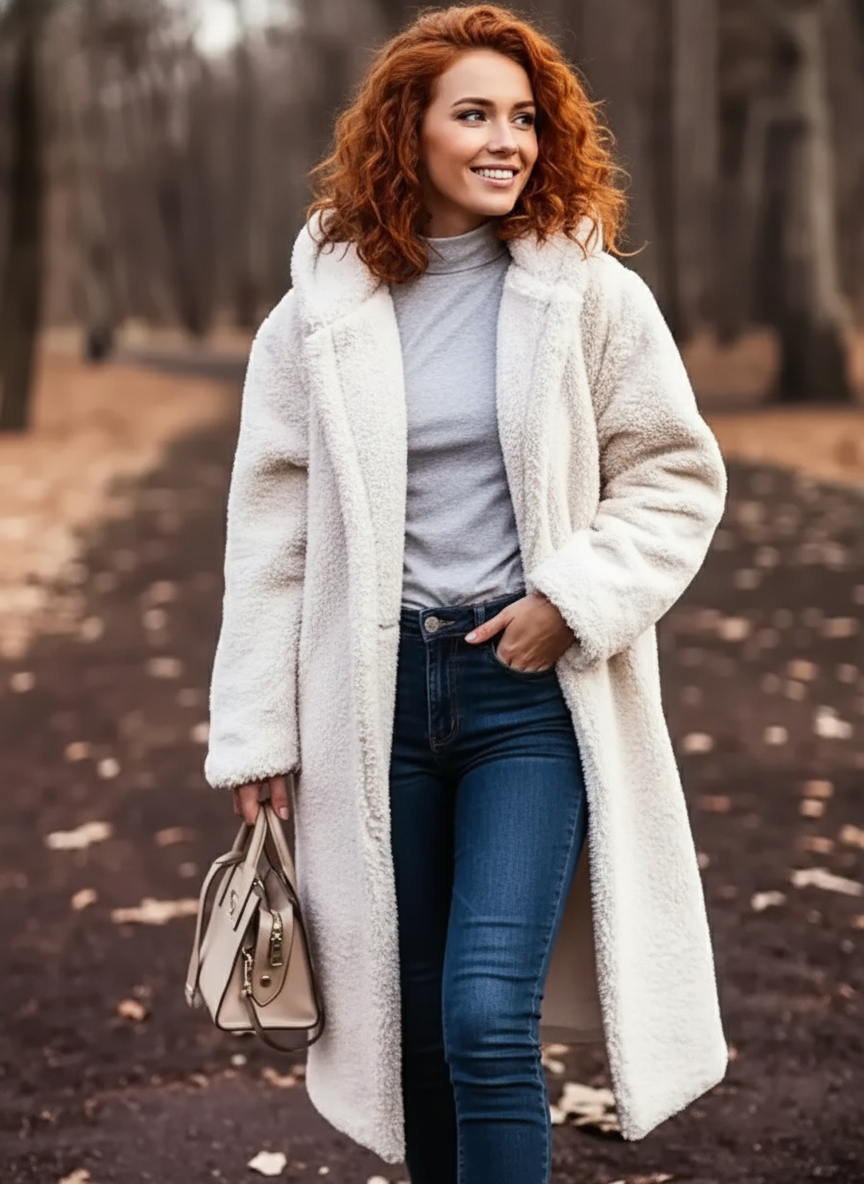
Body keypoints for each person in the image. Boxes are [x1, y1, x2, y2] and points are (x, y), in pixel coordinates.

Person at [203, 5, 729, 1182]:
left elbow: (674, 474)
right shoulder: (319, 319)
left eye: (526, 118)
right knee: (417, 1036)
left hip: (527, 696)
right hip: (373, 701)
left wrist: (573, 597)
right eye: (475, 115)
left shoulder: (587, 296)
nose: (508, 140)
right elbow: (272, 535)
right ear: (410, 132)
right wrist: (255, 731)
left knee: (488, 1015)